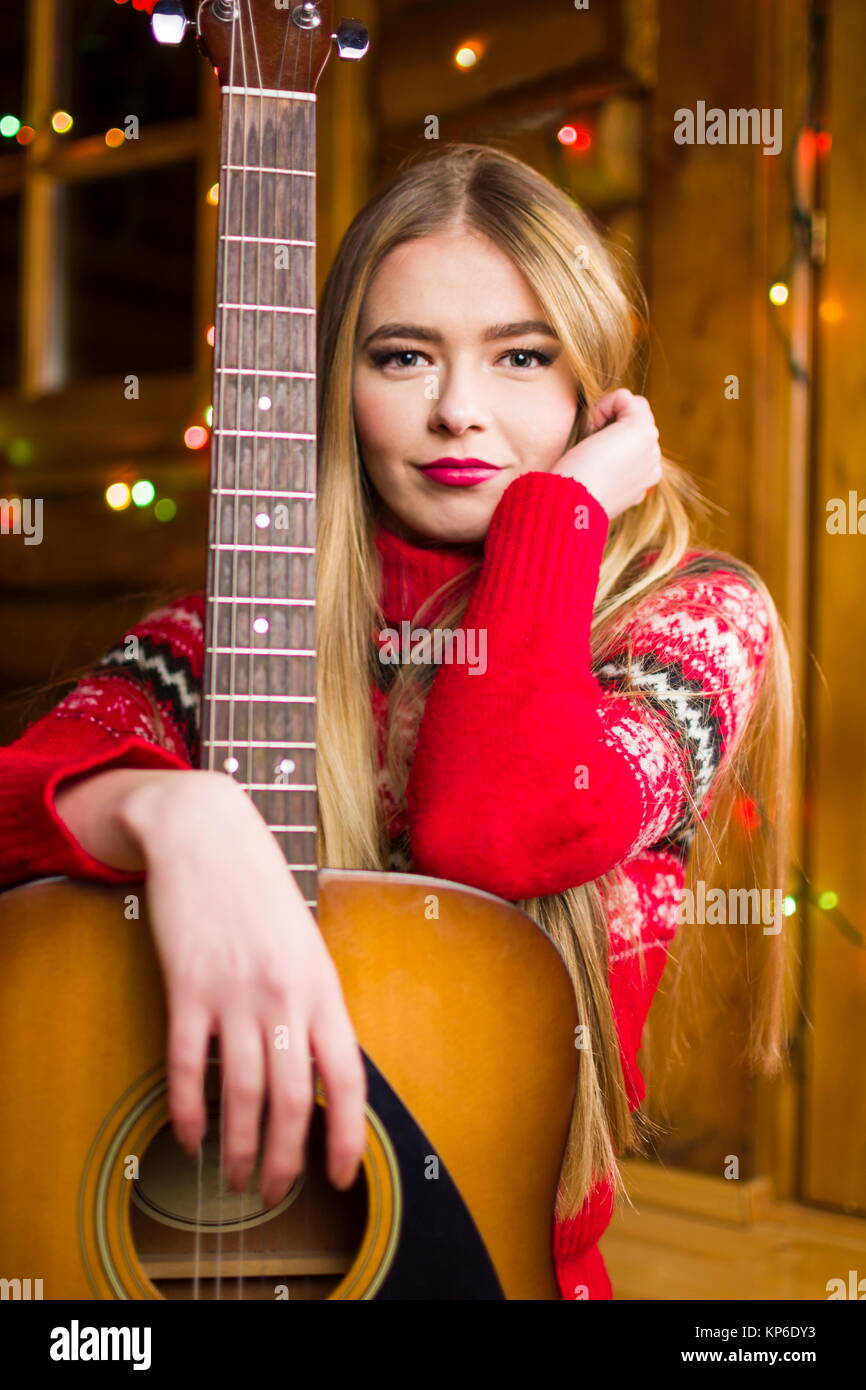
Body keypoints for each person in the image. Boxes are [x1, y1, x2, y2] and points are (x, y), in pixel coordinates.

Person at [0, 143, 795, 1300]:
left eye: (521, 357)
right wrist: (172, 810)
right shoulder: (248, 627)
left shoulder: (689, 623)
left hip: (489, 1268)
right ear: (340, 383)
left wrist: (558, 511)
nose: (457, 412)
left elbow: (499, 829)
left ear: (593, 395)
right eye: (402, 356)